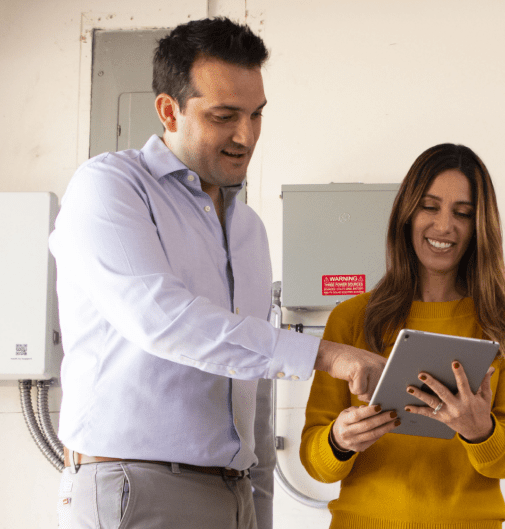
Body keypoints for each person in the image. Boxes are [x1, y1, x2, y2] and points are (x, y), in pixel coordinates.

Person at [48, 18, 384, 529]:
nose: (245, 136)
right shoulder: (111, 186)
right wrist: (323, 354)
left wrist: (257, 503)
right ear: (169, 110)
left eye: (256, 115)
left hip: (233, 492)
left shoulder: (247, 228)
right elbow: (162, 321)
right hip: (136, 488)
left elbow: (256, 382)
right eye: (224, 116)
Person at [300, 144, 505, 528]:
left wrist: (481, 432)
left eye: (462, 213)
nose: (444, 226)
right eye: (430, 207)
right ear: (407, 214)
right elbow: (315, 463)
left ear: (480, 225)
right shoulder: (352, 318)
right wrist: (339, 440)